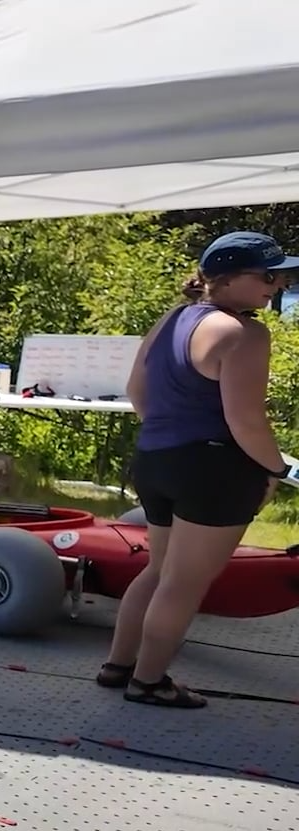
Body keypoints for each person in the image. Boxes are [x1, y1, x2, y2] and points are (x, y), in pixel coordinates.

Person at [99, 231, 298, 708]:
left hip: (156, 459)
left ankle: (118, 666)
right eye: (268, 276)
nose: (279, 286)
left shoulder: (173, 318)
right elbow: (246, 421)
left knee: (159, 570)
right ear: (227, 279)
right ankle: (149, 682)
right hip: (214, 471)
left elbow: (137, 392)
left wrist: (173, 437)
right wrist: (279, 470)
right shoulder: (244, 333)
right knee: (183, 583)